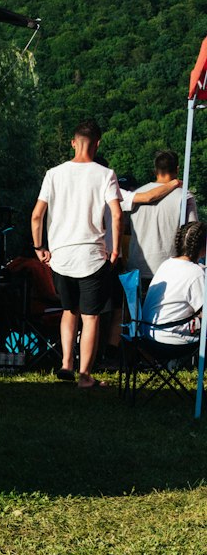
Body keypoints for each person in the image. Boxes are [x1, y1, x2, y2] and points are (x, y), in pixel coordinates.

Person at [30, 119, 122, 390]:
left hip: (61, 256)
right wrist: (116, 249)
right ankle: (85, 376)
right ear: (98, 143)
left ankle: (66, 363)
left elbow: (37, 216)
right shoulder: (105, 174)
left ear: (73, 142)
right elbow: (116, 214)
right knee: (90, 317)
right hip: (92, 256)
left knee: (69, 311)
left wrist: (39, 248)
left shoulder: (54, 174)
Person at [123, 150, 198, 287]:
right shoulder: (185, 197)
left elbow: (125, 228)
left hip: (137, 268)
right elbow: (193, 233)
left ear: (155, 170)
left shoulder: (136, 195)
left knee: (136, 309)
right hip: (170, 270)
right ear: (177, 169)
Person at [141, 221, 206, 346]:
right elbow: (204, 310)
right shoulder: (196, 272)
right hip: (170, 340)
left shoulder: (167, 264)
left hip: (147, 335)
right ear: (203, 247)